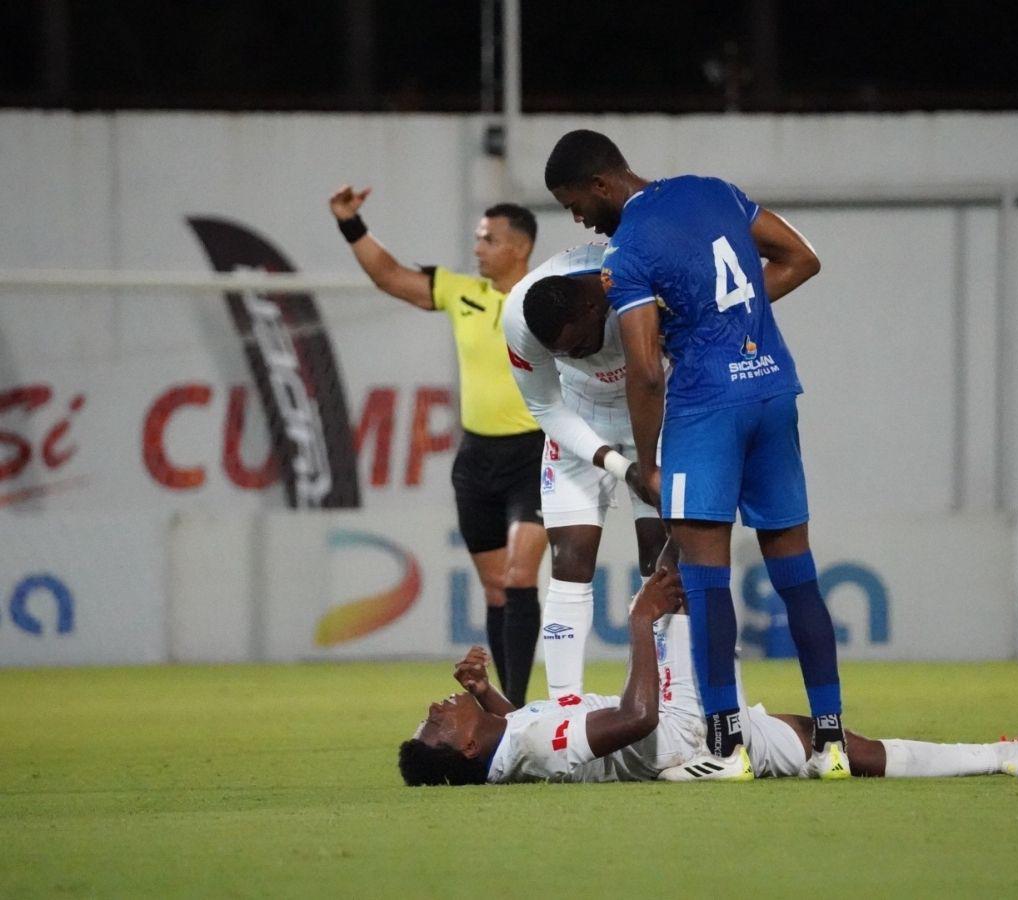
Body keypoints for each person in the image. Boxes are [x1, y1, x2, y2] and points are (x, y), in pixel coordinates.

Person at [540, 130, 847, 777]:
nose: (577, 219)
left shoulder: (626, 254)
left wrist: (646, 463)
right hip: (772, 388)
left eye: (574, 204)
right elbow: (801, 259)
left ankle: (726, 747)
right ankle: (833, 743)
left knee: (706, 580)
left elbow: (646, 370)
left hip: (707, 407)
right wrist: (730, 322)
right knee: (797, 574)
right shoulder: (715, 192)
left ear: (600, 185)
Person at [397, 569, 1018, 786]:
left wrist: (487, 695)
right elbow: (635, 720)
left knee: (822, 743)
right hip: (673, 724)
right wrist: (638, 622)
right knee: (686, 554)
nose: (436, 704)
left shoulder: (510, 738)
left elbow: (527, 723)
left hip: (674, 734)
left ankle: (1004, 757)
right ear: (461, 748)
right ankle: (711, 760)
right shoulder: (531, 749)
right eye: (436, 720)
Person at [329, 186, 547, 706]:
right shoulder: (459, 291)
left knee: (520, 576)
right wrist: (350, 224)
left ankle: (514, 704)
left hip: (534, 455)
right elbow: (389, 275)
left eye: (488, 240)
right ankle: (504, 707)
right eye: (477, 239)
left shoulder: (546, 298)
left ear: (519, 247)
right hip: (476, 461)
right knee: (496, 588)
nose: (477, 249)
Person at [500, 244, 668, 698]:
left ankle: (666, 699)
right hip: (578, 415)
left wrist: (648, 460)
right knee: (570, 559)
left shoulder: (637, 280)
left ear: (595, 306)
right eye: (561, 353)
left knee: (662, 561)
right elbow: (545, 407)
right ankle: (565, 706)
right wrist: (622, 468)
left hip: (653, 408)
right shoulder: (518, 316)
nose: (575, 355)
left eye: (578, 344)